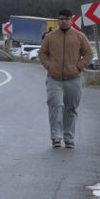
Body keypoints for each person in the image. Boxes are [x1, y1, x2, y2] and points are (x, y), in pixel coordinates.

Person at [39, 9, 94, 149]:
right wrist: (49, 66)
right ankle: (56, 137)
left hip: (74, 79)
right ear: (58, 20)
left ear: (71, 20)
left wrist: (79, 67)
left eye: (66, 19)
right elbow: (42, 53)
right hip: (54, 78)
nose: (64, 21)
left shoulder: (79, 36)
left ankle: (69, 137)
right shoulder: (50, 37)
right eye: (61, 19)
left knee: (71, 109)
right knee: (56, 106)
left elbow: (88, 54)